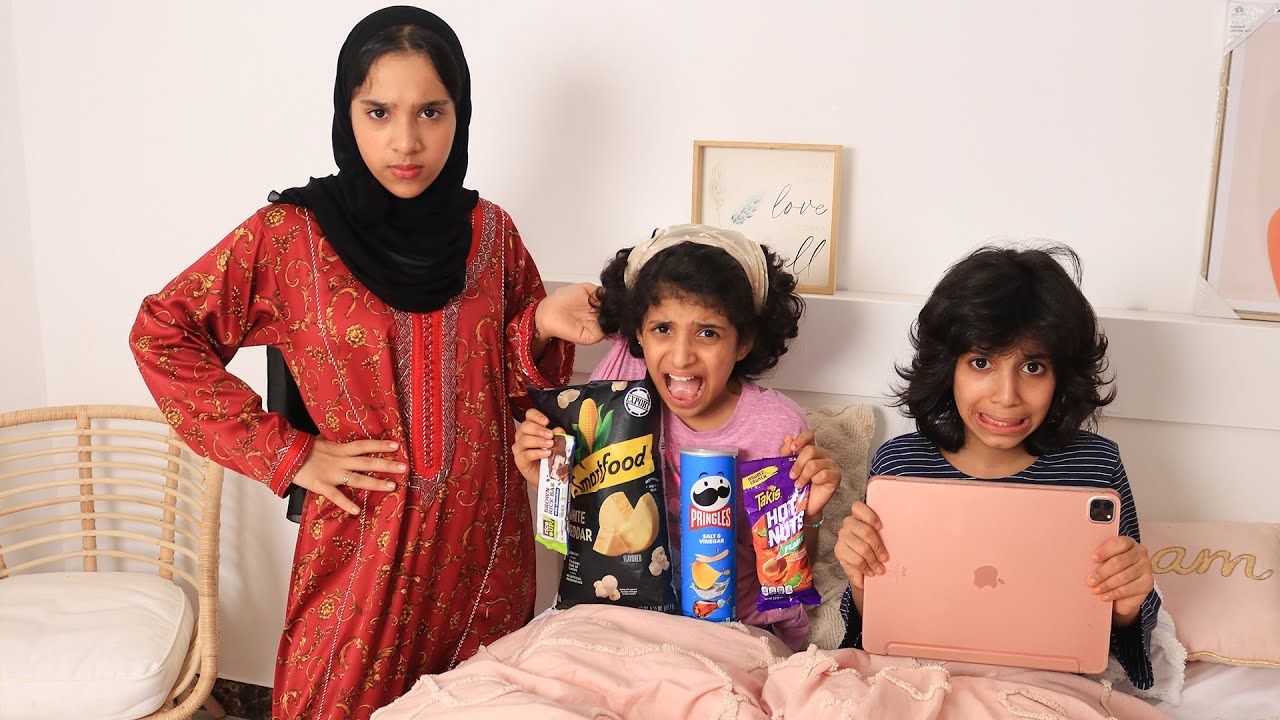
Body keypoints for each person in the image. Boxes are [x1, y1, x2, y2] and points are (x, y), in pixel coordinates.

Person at [128, 7, 600, 717]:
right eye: (379, 112)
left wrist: (539, 324)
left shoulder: (491, 234)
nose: (406, 141)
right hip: (363, 539)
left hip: (482, 545)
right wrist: (289, 454)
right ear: (346, 113)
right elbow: (164, 333)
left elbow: (501, 385)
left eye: (431, 112)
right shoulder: (290, 236)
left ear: (460, 115)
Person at [834, 245, 1160, 689]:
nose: (1007, 396)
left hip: (1047, 687)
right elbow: (873, 632)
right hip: (920, 681)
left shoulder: (1095, 466)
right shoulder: (901, 465)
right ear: (947, 368)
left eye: (1033, 367)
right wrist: (861, 580)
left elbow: (1121, 637)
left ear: (1062, 377)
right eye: (981, 362)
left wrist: (1128, 602)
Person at [513, 224, 840, 650]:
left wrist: (807, 516)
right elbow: (591, 523)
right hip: (618, 616)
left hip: (731, 629)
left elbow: (785, 576)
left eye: (708, 332)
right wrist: (547, 481)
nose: (682, 356)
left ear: (744, 342)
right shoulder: (619, 386)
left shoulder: (774, 426)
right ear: (638, 333)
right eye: (663, 329)